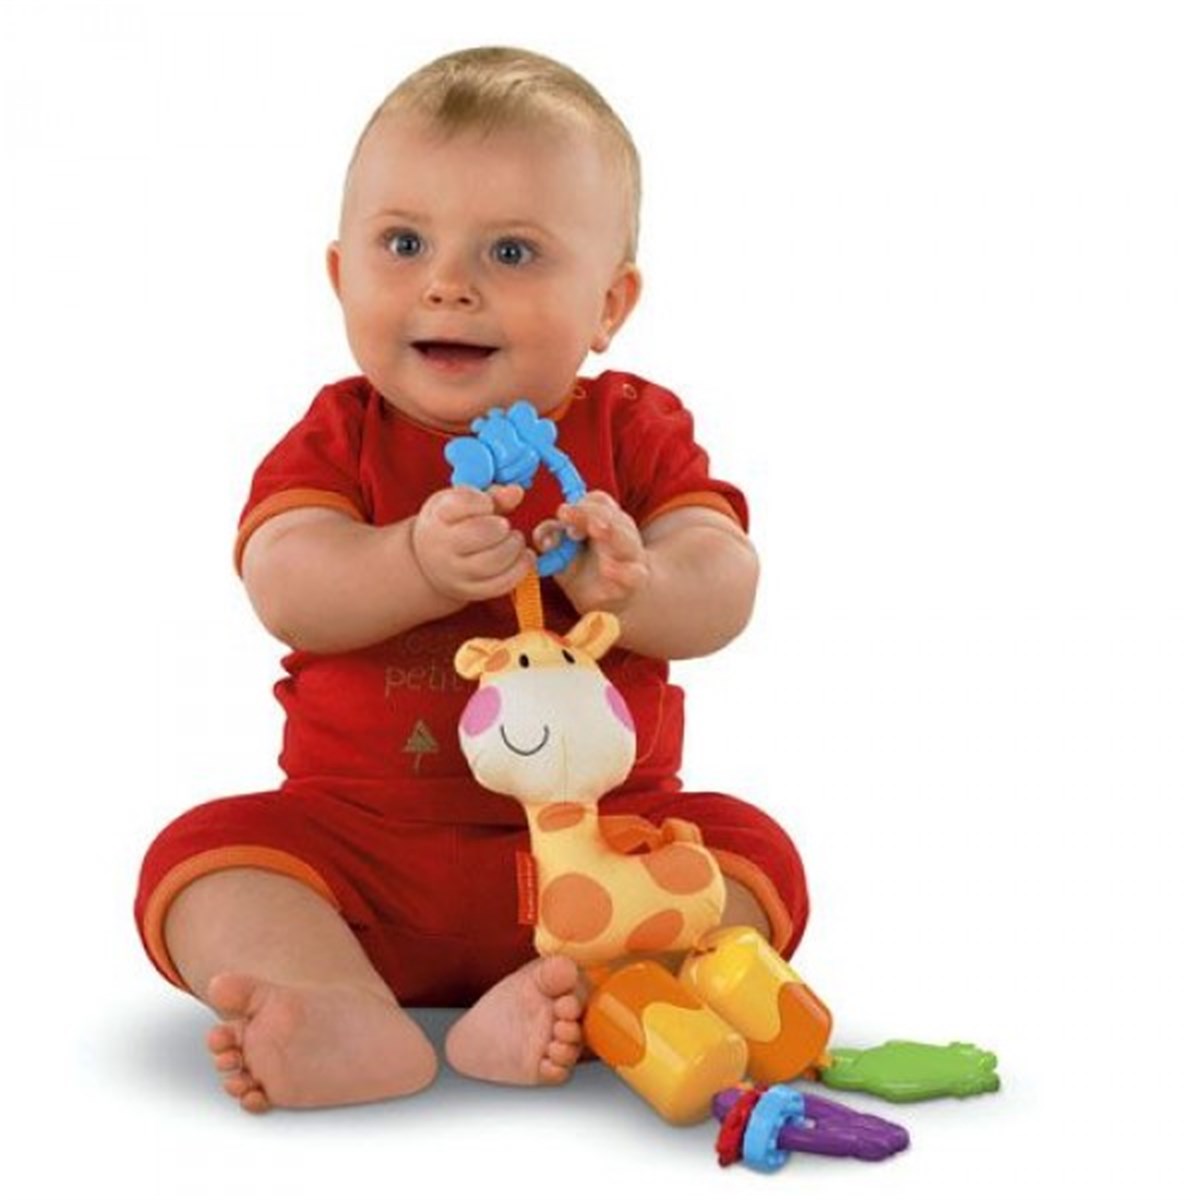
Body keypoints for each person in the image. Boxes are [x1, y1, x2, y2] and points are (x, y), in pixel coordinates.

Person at [135, 46, 808, 1114]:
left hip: (608, 854)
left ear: (609, 304)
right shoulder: (341, 434)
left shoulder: (633, 429)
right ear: (341, 277)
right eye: (404, 244)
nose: (449, 283)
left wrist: (634, 583)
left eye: (512, 250)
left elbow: (724, 580)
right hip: (359, 858)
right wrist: (408, 560)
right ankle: (339, 1004)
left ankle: (562, 996)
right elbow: (285, 581)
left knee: (752, 856)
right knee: (205, 858)